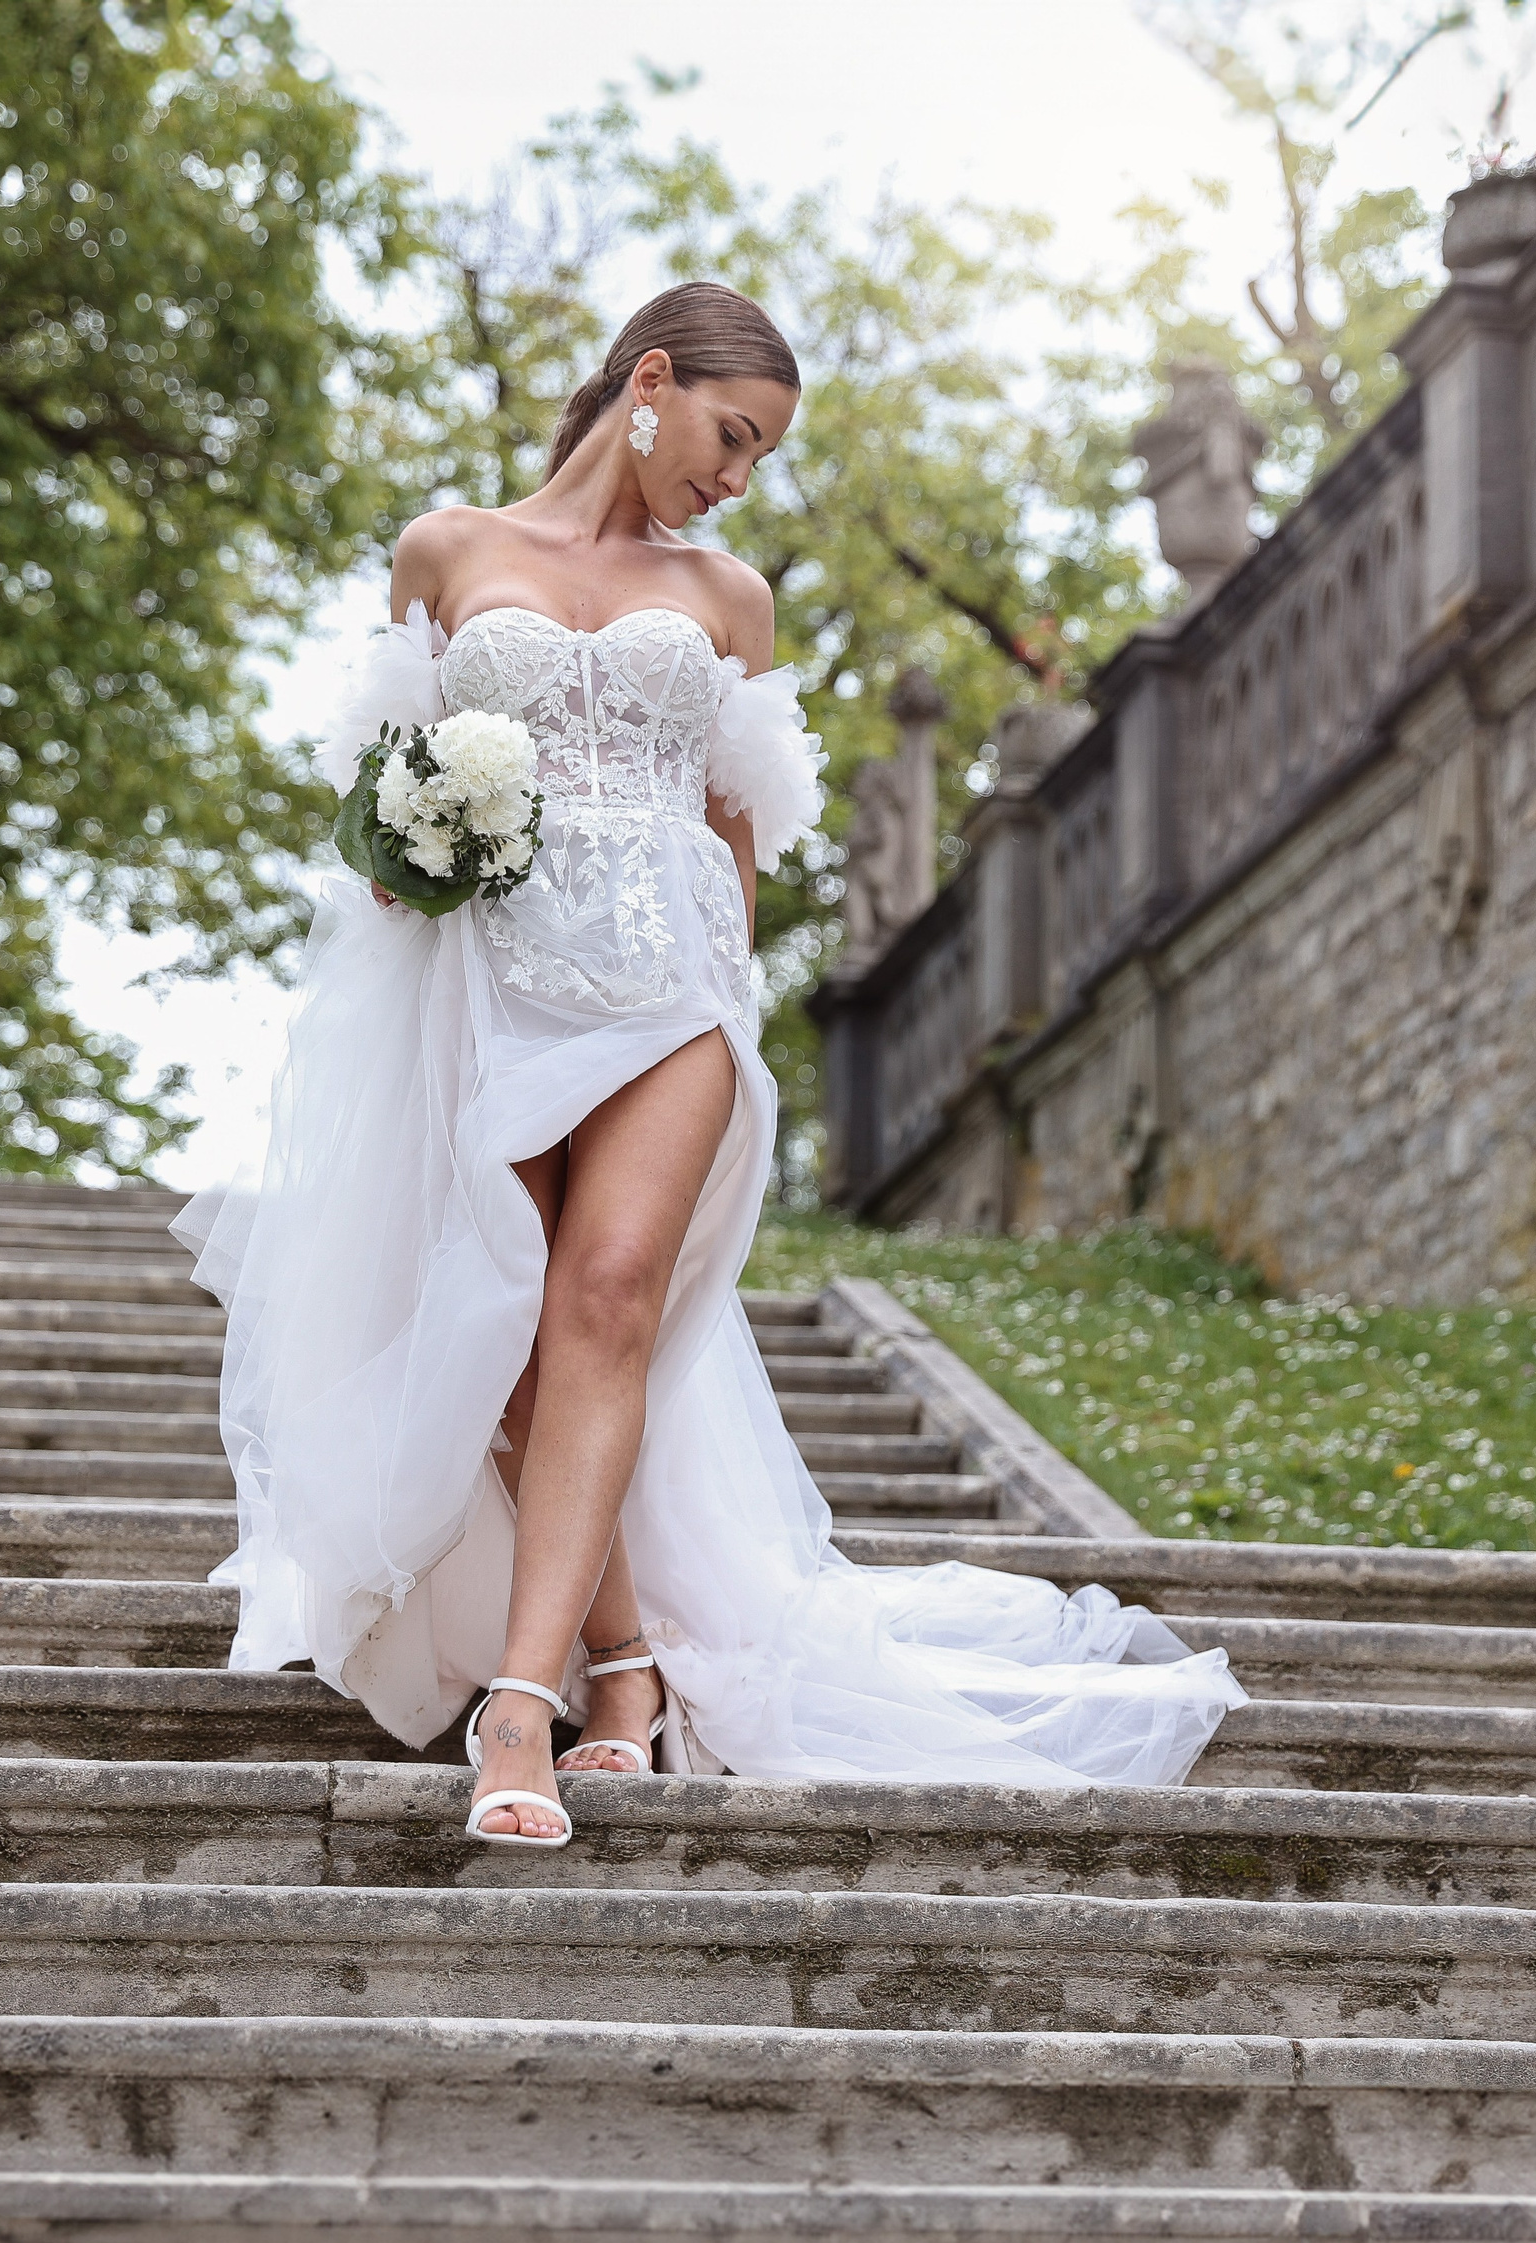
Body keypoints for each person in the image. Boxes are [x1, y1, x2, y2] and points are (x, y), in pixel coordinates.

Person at [174, 282, 1242, 1846]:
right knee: (514, 1346)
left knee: (605, 1294)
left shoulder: (730, 597)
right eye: (733, 438)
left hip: (670, 986)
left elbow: (736, 830)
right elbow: (382, 800)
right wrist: (405, 865)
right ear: (653, 384)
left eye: (761, 458)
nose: (736, 478)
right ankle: (624, 1670)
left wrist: (732, 1011)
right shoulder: (449, 552)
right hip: (489, 983)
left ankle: (519, 1719)